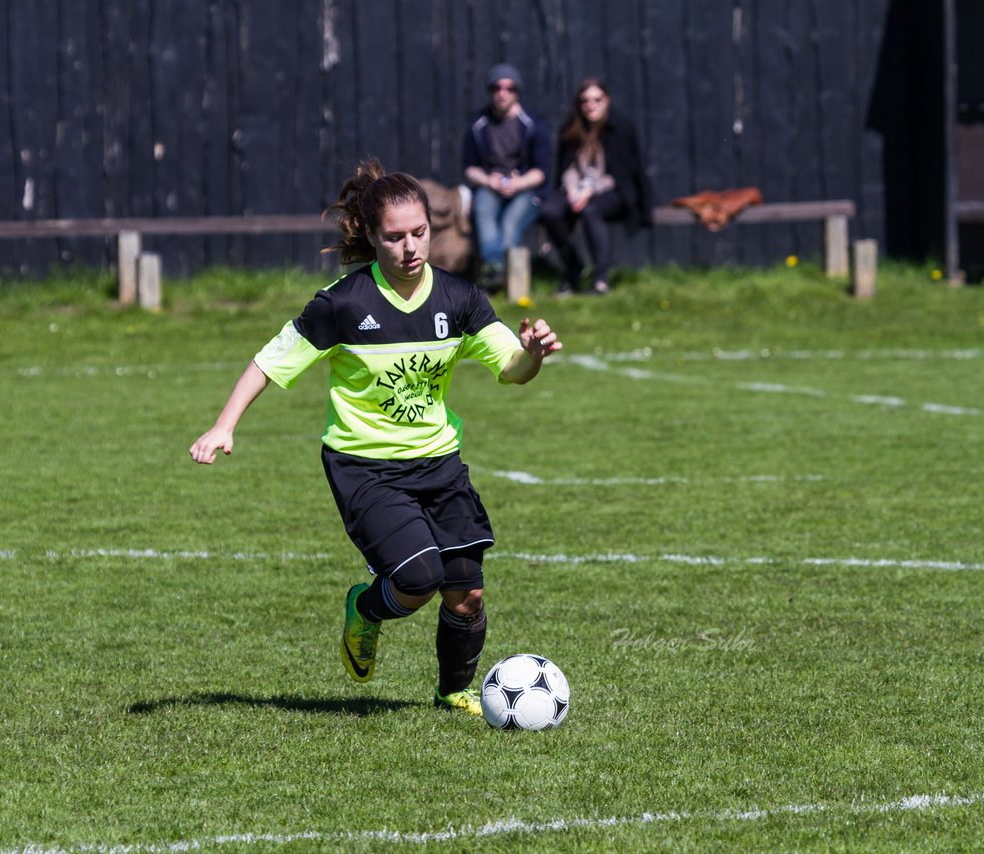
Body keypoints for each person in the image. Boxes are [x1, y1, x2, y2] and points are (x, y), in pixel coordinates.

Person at [189, 159, 562, 716]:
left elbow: (510, 368)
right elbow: (269, 361)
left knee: (467, 593)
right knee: (417, 578)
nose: (411, 247)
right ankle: (365, 608)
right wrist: (224, 424)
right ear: (368, 234)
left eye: (420, 232)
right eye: (395, 236)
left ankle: (452, 691)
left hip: (439, 463)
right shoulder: (343, 303)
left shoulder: (459, 298)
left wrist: (532, 355)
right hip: (364, 468)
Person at [539, 77, 652, 296]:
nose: (591, 105)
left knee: (592, 211)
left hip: (613, 190)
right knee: (550, 211)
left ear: (606, 100)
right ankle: (573, 267)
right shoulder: (572, 128)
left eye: (596, 100)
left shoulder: (620, 127)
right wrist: (572, 189)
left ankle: (601, 278)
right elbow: (567, 168)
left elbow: (622, 174)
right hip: (576, 188)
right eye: (585, 101)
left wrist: (589, 191)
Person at [462, 63, 551, 290]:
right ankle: (495, 269)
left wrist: (518, 183)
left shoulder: (533, 125)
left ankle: (511, 279)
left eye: (509, 88)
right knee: (483, 208)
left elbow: (542, 172)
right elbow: (469, 168)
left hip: (526, 189)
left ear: (517, 91)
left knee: (511, 223)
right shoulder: (478, 124)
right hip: (490, 186)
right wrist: (488, 180)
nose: (503, 93)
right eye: (497, 88)